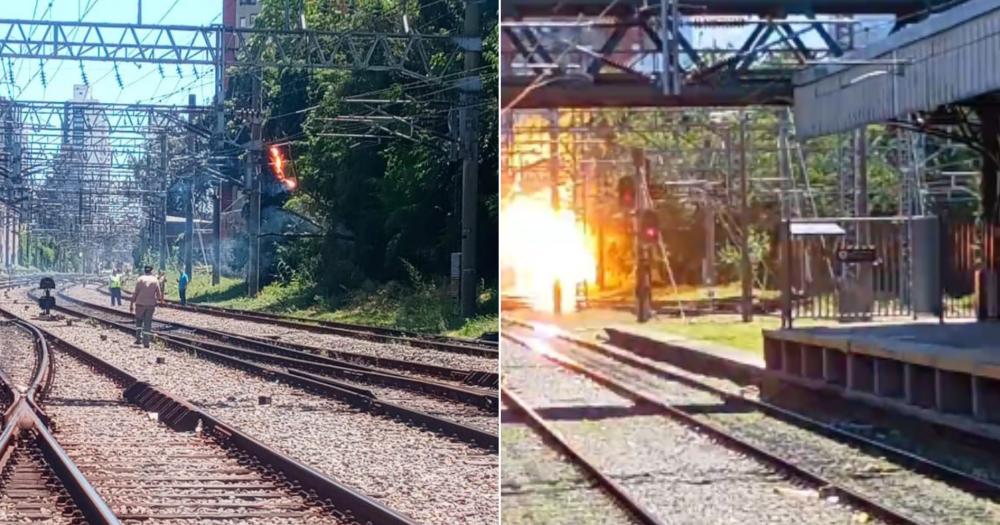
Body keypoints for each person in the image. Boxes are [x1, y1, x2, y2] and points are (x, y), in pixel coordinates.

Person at [130, 265, 163, 348]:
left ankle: (138, 339)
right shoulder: (155, 280)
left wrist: (131, 304)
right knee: (148, 323)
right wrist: (161, 301)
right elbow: (159, 295)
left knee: (139, 321)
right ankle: (146, 342)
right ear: (151, 271)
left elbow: (135, 293)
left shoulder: (140, 279)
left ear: (144, 271)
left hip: (140, 304)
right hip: (150, 305)